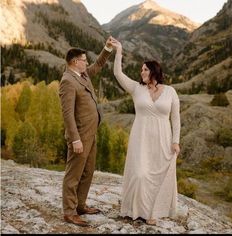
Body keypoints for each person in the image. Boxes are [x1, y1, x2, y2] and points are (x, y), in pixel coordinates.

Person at [111, 39, 181, 225]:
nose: (141, 72)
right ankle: (134, 209)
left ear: (154, 72)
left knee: (158, 176)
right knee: (141, 173)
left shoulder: (171, 92)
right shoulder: (136, 89)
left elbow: (176, 119)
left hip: (163, 138)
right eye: (141, 70)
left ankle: (151, 212)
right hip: (140, 137)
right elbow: (117, 73)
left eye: (145, 69)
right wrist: (119, 51)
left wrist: (176, 141)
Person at [59, 36, 114, 226]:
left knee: (88, 171)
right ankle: (69, 211)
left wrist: (107, 48)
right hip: (80, 136)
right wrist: (75, 139)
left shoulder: (82, 75)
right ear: (75, 62)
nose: (87, 62)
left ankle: (80, 205)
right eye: (84, 59)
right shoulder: (68, 81)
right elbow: (67, 114)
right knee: (73, 174)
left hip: (91, 133)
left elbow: (98, 65)